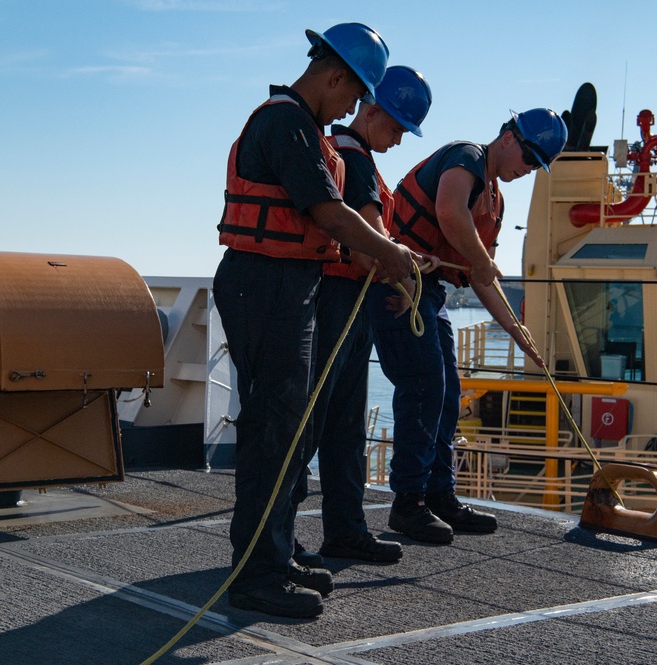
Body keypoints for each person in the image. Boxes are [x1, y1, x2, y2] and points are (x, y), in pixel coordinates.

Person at [214, 23, 424, 619]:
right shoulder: (284, 122)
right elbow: (328, 213)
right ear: (336, 77)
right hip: (264, 283)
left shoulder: (302, 126)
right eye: (355, 96)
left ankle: (275, 555)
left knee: (291, 427)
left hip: (287, 284)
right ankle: (256, 575)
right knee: (274, 431)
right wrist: (394, 255)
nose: (353, 108)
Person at [368, 108, 567, 544]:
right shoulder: (465, 157)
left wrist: (520, 334)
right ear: (508, 136)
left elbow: (482, 278)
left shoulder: (496, 200)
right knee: (423, 384)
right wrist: (481, 260)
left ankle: (439, 495)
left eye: (537, 165)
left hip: (429, 292)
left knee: (447, 391)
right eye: (529, 157)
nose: (528, 168)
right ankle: (408, 503)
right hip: (394, 284)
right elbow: (449, 210)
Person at [291, 66, 434, 567]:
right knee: (326, 421)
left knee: (334, 421)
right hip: (339, 302)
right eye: (395, 129)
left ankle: (335, 530)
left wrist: (398, 271)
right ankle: (305, 535)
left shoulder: (341, 152)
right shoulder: (355, 158)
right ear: (371, 111)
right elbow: (370, 234)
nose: (397, 141)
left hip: (336, 297)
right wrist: (404, 276)